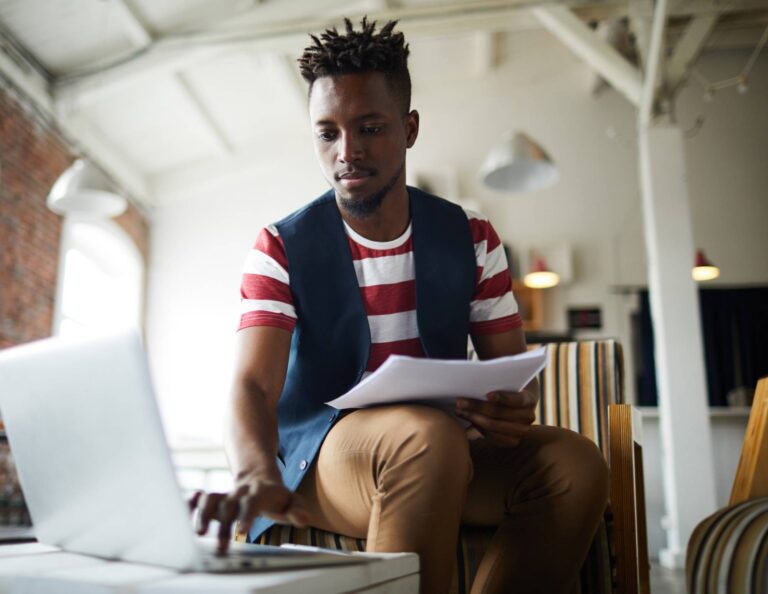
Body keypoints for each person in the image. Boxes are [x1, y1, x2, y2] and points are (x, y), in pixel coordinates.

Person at [193, 18, 609, 594]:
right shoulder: (280, 247)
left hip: (445, 454)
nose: (347, 152)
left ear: (409, 128)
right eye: (327, 133)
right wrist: (255, 472)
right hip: (324, 463)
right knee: (426, 438)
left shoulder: (472, 238)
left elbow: (512, 379)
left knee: (575, 464)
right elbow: (252, 387)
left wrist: (513, 408)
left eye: (369, 128)